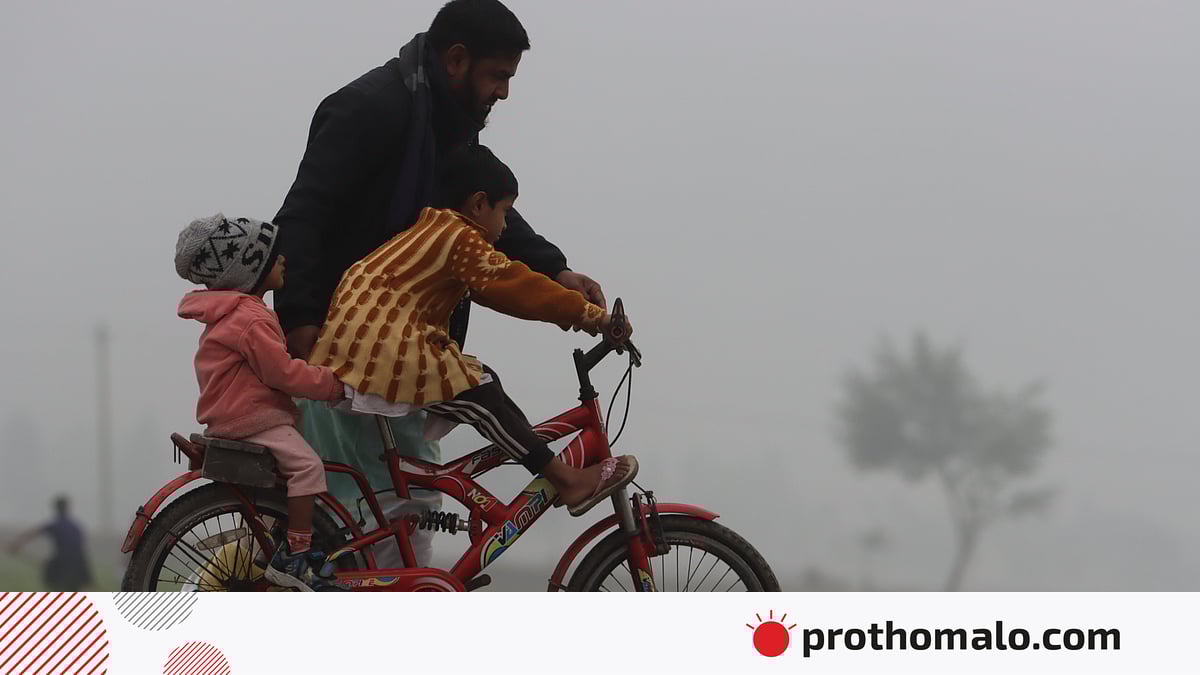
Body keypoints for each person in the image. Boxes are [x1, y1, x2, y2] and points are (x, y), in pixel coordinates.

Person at [273, 0, 607, 565]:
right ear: (456, 60)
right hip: (350, 346)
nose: (503, 92)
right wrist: (303, 324)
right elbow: (303, 217)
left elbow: (486, 216)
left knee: (411, 506)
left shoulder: (447, 127)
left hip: (403, 350)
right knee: (359, 516)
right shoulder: (369, 109)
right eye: (497, 76)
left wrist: (557, 270)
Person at [311, 145, 637, 515]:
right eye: (505, 212)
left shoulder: (434, 229)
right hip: (381, 348)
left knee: (484, 382)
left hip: (364, 345)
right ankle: (566, 479)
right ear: (479, 204)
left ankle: (550, 468)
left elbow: (500, 292)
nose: (506, 226)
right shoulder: (458, 237)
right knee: (480, 392)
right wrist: (595, 317)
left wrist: (572, 312)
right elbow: (513, 284)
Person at [174, 213, 345, 591]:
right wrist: (333, 385)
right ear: (248, 271)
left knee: (284, 485)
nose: (283, 260)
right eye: (273, 256)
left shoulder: (231, 317)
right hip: (254, 419)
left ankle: (287, 545)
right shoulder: (250, 319)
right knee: (307, 469)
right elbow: (281, 373)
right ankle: (295, 558)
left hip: (235, 416)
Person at [6, 496, 93, 591]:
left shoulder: (55, 525)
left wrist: (15, 544)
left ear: (56, 508)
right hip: (79, 564)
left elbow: (32, 533)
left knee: (53, 586)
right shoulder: (76, 526)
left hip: (61, 563)